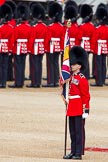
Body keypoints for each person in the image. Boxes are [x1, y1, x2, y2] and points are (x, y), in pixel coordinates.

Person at [62, 46, 90, 160]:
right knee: (72, 132)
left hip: (79, 107)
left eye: (73, 64)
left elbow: (86, 95)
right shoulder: (71, 76)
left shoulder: (82, 78)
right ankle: (73, 151)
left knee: (79, 132)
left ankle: (78, 152)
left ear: (79, 65)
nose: (71, 66)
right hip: (72, 107)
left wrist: (85, 110)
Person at [90, 5, 108, 86]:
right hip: (105, 48)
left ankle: (99, 82)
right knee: (104, 65)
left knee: (98, 65)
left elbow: (94, 40)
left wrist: (92, 49)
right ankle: (103, 80)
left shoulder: (97, 29)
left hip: (98, 48)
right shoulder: (107, 28)